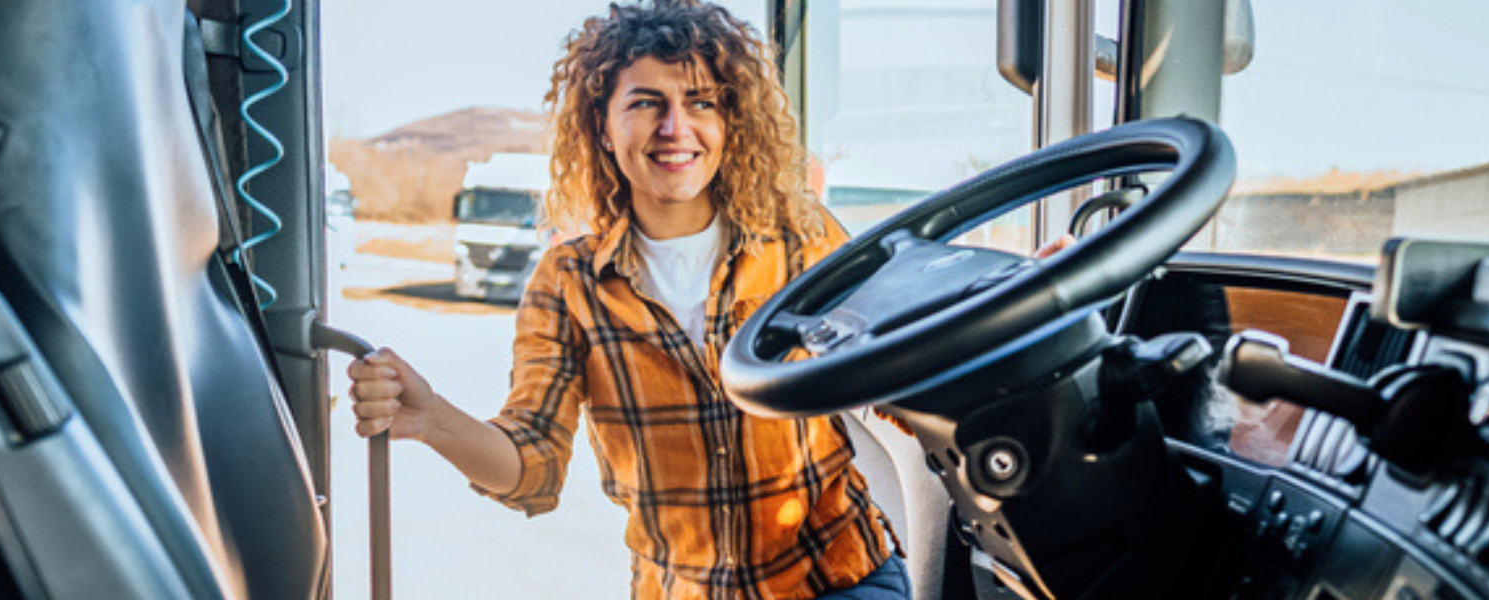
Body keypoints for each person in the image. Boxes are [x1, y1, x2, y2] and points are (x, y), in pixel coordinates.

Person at [349, 2, 1069, 598]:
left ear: (731, 124)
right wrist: (433, 419)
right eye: (647, 103)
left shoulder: (799, 238)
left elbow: (902, 359)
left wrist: (1021, 301)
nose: (675, 128)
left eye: (700, 102)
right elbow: (532, 470)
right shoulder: (566, 283)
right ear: (603, 125)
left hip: (840, 577)